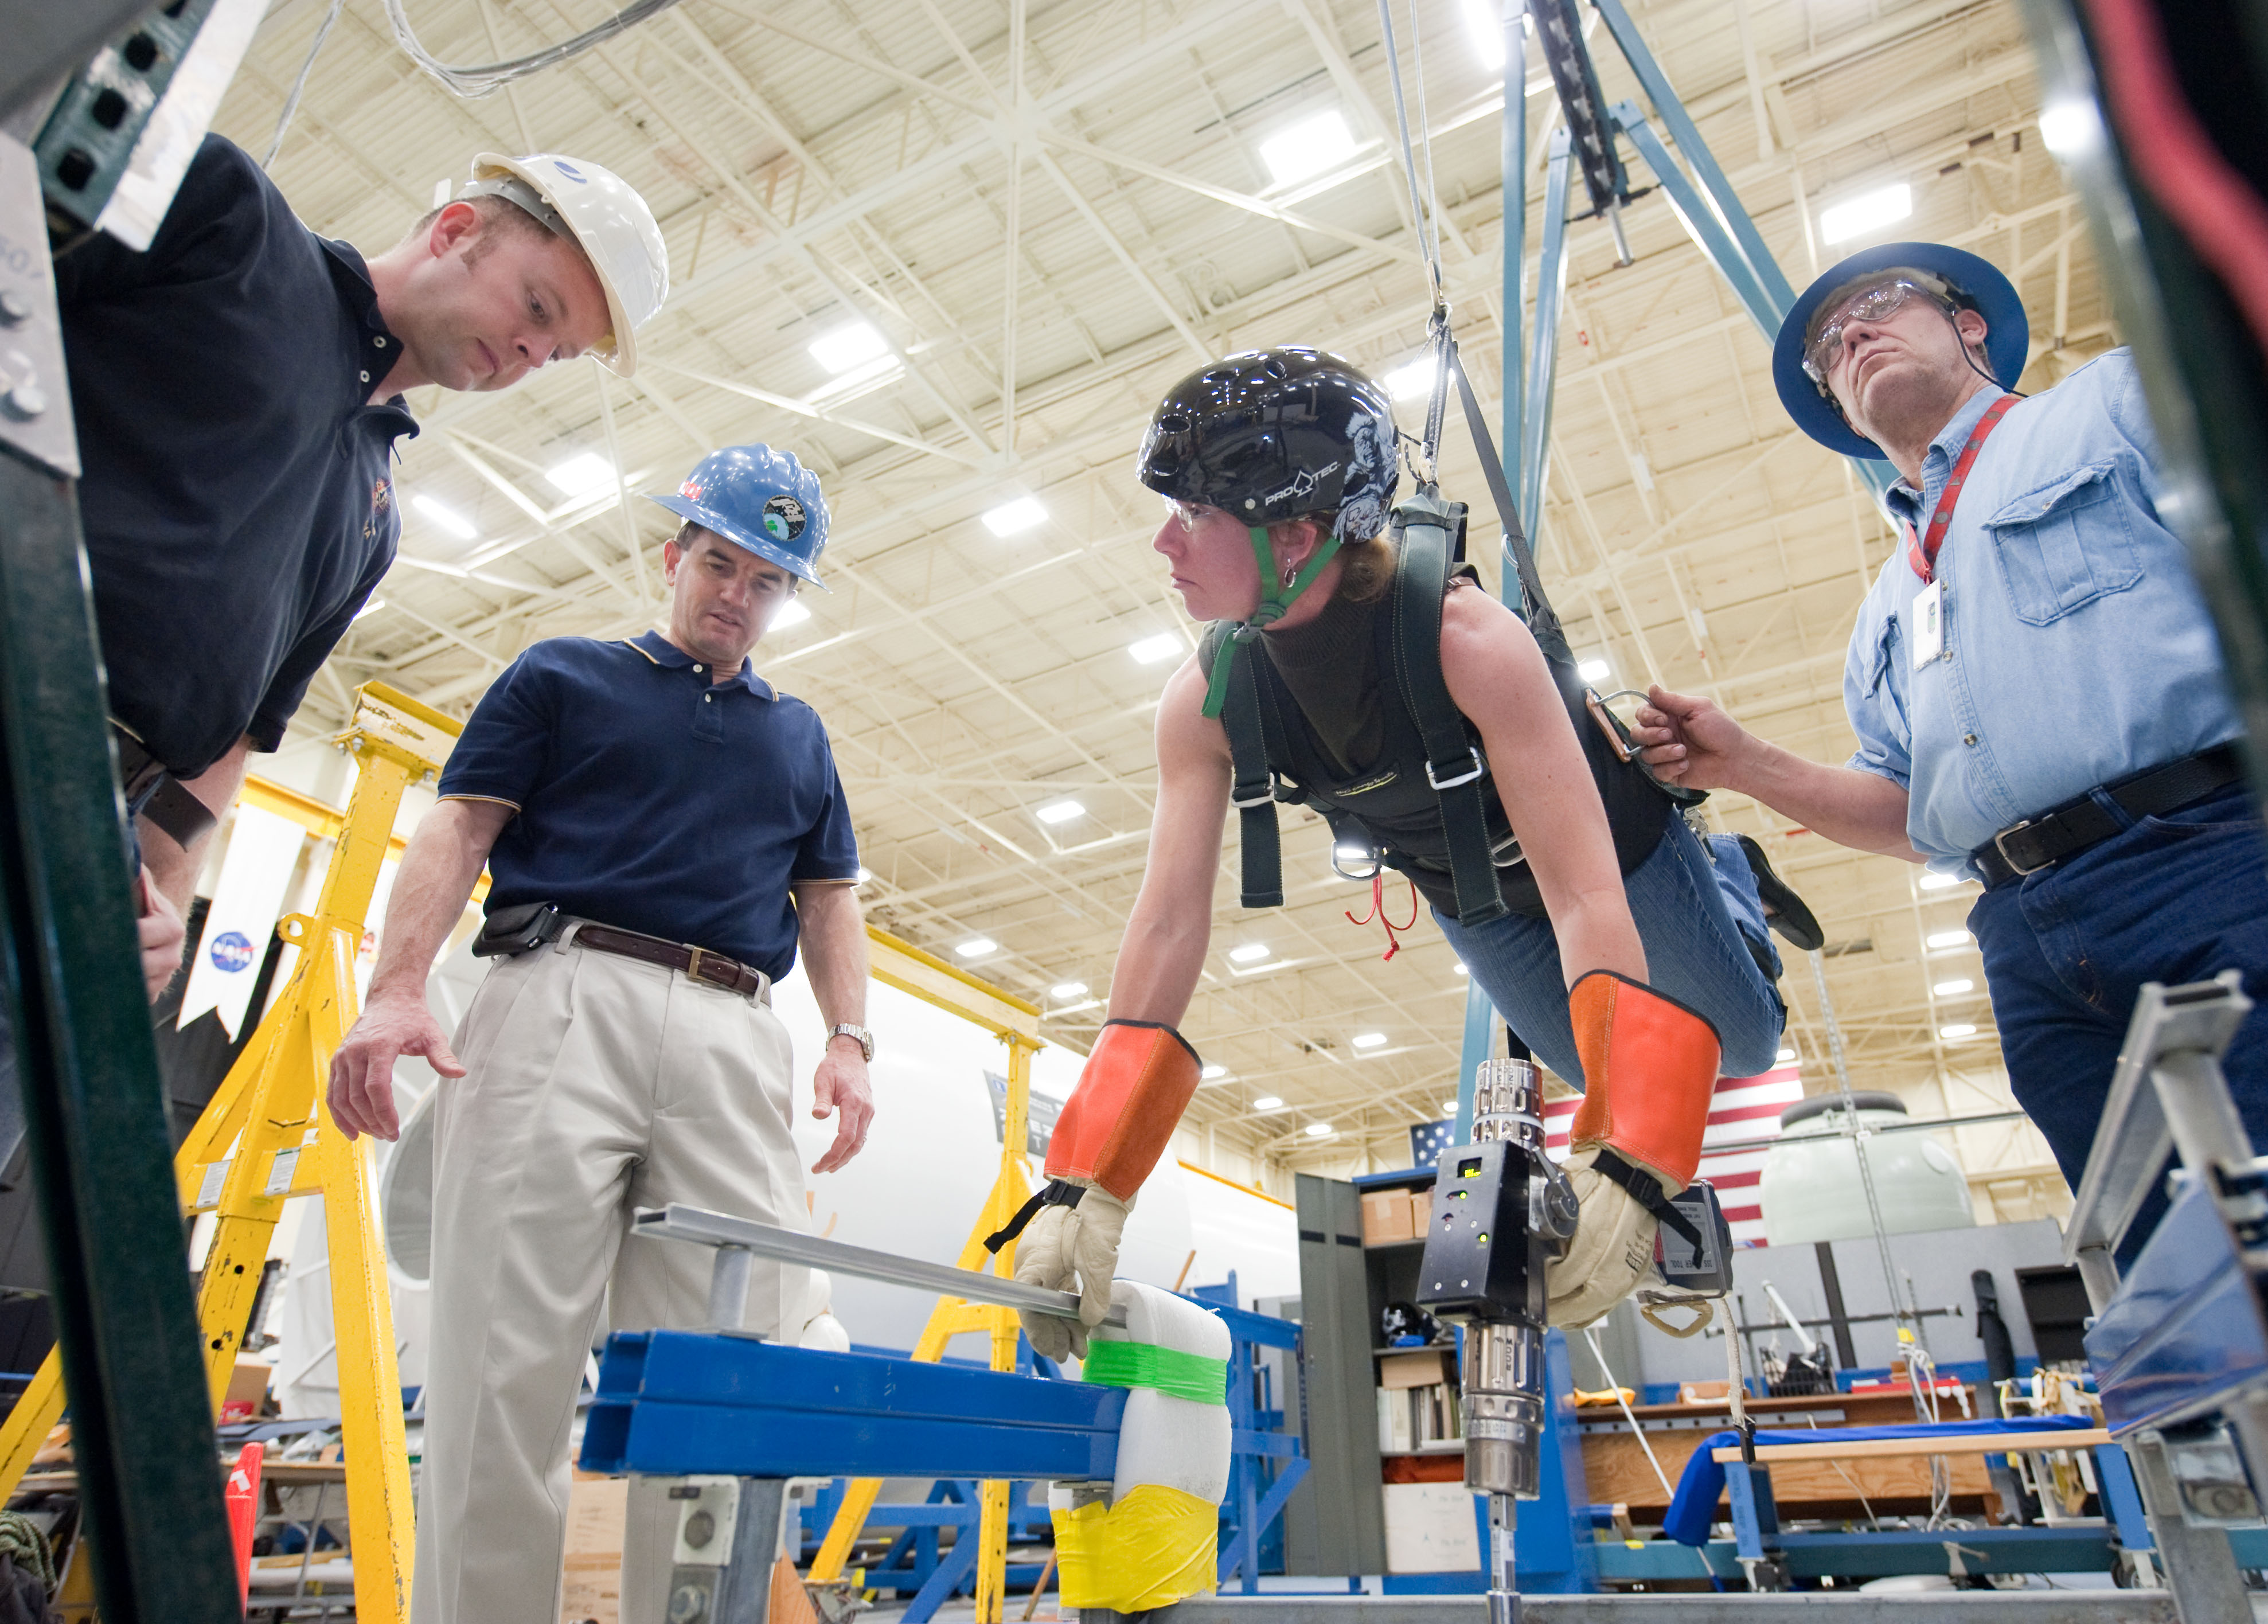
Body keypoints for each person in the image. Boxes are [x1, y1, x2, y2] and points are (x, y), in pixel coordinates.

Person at [996, 349, 1817, 1357]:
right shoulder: (1206, 699)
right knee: (1575, 1066)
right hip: (1474, 896)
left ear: (1294, 535)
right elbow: (1168, 922)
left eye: (1196, 515)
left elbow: (1585, 895)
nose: (1164, 541)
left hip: (1613, 858)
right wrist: (1087, 1176)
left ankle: (1729, 880)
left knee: (1740, 1051)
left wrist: (1638, 1152)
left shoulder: (1470, 643)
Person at [1626, 240, 2268, 1233]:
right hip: (2023, 937)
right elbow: (1912, 817)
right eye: (1831, 347)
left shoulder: (2112, 410)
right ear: (1839, 407)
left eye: (1883, 304)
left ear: (1970, 326)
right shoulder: (1886, 613)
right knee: (2167, 1265)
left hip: (2214, 859)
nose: (1855, 334)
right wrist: (1741, 762)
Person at [322, 445, 876, 1623]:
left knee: (718, 1376)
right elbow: (459, 826)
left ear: (786, 599)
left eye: (766, 580)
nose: (737, 593)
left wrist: (850, 1042)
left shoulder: (800, 737)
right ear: (675, 555)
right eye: (720, 563)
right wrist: (397, 988)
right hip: (560, 991)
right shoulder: (563, 676)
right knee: (503, 1366)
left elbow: (828, 900)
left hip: (735, 1025)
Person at [53, 136, 668, 999]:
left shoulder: (371, 517)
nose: (532, 353)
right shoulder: (230, 226)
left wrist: (157, 896)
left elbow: (233, 735)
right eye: (537, 306)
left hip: (84, 849)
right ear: (456, 230)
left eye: (556, 353)